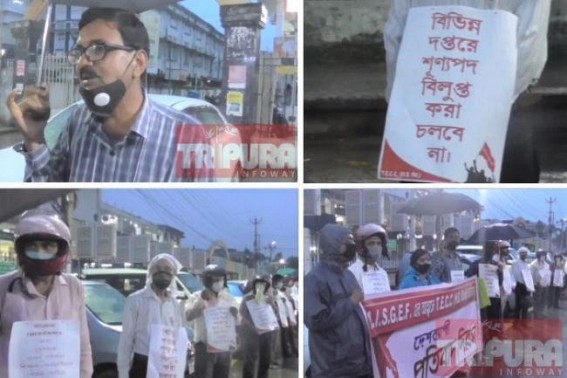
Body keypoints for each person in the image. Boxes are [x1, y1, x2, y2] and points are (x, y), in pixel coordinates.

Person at [6, 7, 211, 182]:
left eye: (98, 49)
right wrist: (34, 139)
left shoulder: (189, 137)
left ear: (138, 63)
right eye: (79, 52)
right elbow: (52, 198)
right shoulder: (78, 121)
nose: (83, 62)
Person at [384, 0, 551, 182]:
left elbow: (396, 35)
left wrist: (403, 98)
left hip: (430, 106)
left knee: (427, 188)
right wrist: (495, 99)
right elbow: (528, 45)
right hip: (498, 109)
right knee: (507, 189)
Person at [0, 210, 93, 378]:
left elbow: (83, 344)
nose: (39, 252)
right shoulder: (3, 286)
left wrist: (85, 375)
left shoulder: (74, 287)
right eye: (32, 246)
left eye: (47, 246)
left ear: (60, 250)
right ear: (21, 249)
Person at [304, 224, 373, 378]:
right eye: (347, 241)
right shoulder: (314, 279)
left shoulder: (348, 275)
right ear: (332, 244)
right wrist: (350, 303)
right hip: (334, 369)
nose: (352, 245)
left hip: (360, 365)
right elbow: (315, 320)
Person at [117, 253, 186, 378]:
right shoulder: (135, 300)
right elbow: (126, 340)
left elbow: (177, 337)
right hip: (142, 365)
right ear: (150, 272)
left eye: (167, 269)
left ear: (173, 274)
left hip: (166, 367)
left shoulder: (174, 304)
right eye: (158, 268)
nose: (163, 272)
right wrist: (123, 373)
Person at [185, 264, 238, 378]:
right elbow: (188, 315)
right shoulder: (196, 296)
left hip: (224, 347)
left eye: (221, 279)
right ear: (207, 281)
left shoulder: (229, 298)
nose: (219, 282)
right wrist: (201, 300)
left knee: (223, 374)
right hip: (204, 347)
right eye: (216, 279)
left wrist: (235, 314)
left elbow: (238, 321)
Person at [239, 274, 275, 378]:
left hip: (266, 334)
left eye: (264, 285)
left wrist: (271, 302)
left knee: (266, 360)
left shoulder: (267, 299)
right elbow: (242, 315)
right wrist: (253, 327)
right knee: (250, 360)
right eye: (259, 284)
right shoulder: (248, 298)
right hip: (251, 334)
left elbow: (275, 315)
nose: (261, 287)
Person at [349, 223, 391, 295]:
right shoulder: (351, 273)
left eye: (379, 243)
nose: (376, 247)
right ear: (361, 247)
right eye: (371, 243)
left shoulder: (383, 273)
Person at [511, 247, 532, 326]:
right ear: (519, 254)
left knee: (525, 306)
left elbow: (529, 276)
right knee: (518, 306)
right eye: (522, 253)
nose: (524, 255)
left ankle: (524, 323)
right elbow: (514, 275)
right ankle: (516, 324)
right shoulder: (515, 263)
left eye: (525, 253)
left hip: (526, 286)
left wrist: (530, 286)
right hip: (519, 286)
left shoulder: (526, 264)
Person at [530, 250, 551, 319]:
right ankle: (536, 314)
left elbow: (548, 274)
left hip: (545, 285)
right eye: (541, 255)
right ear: (538, 256)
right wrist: (534, 284)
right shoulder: (533, 264)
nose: (543, 257)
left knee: (543, 299)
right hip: (537, 285)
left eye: (544, 255)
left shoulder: (546, 264)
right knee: (537, 300)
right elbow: (531, 276)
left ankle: (541, 312)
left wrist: (548, 282)